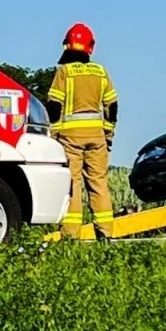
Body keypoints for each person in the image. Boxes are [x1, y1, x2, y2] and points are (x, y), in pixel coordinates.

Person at [47, 22, 117, 237]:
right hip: (97, 138)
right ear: (90, 47)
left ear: (67, 46)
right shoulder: (100, 72)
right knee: (98, 184)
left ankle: (71, 235)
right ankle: (106, 233)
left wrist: (55, 134)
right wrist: (108, 133)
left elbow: (54, 106)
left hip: (70, 140)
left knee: (73, 185)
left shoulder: (64, 72)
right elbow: (112, 106)